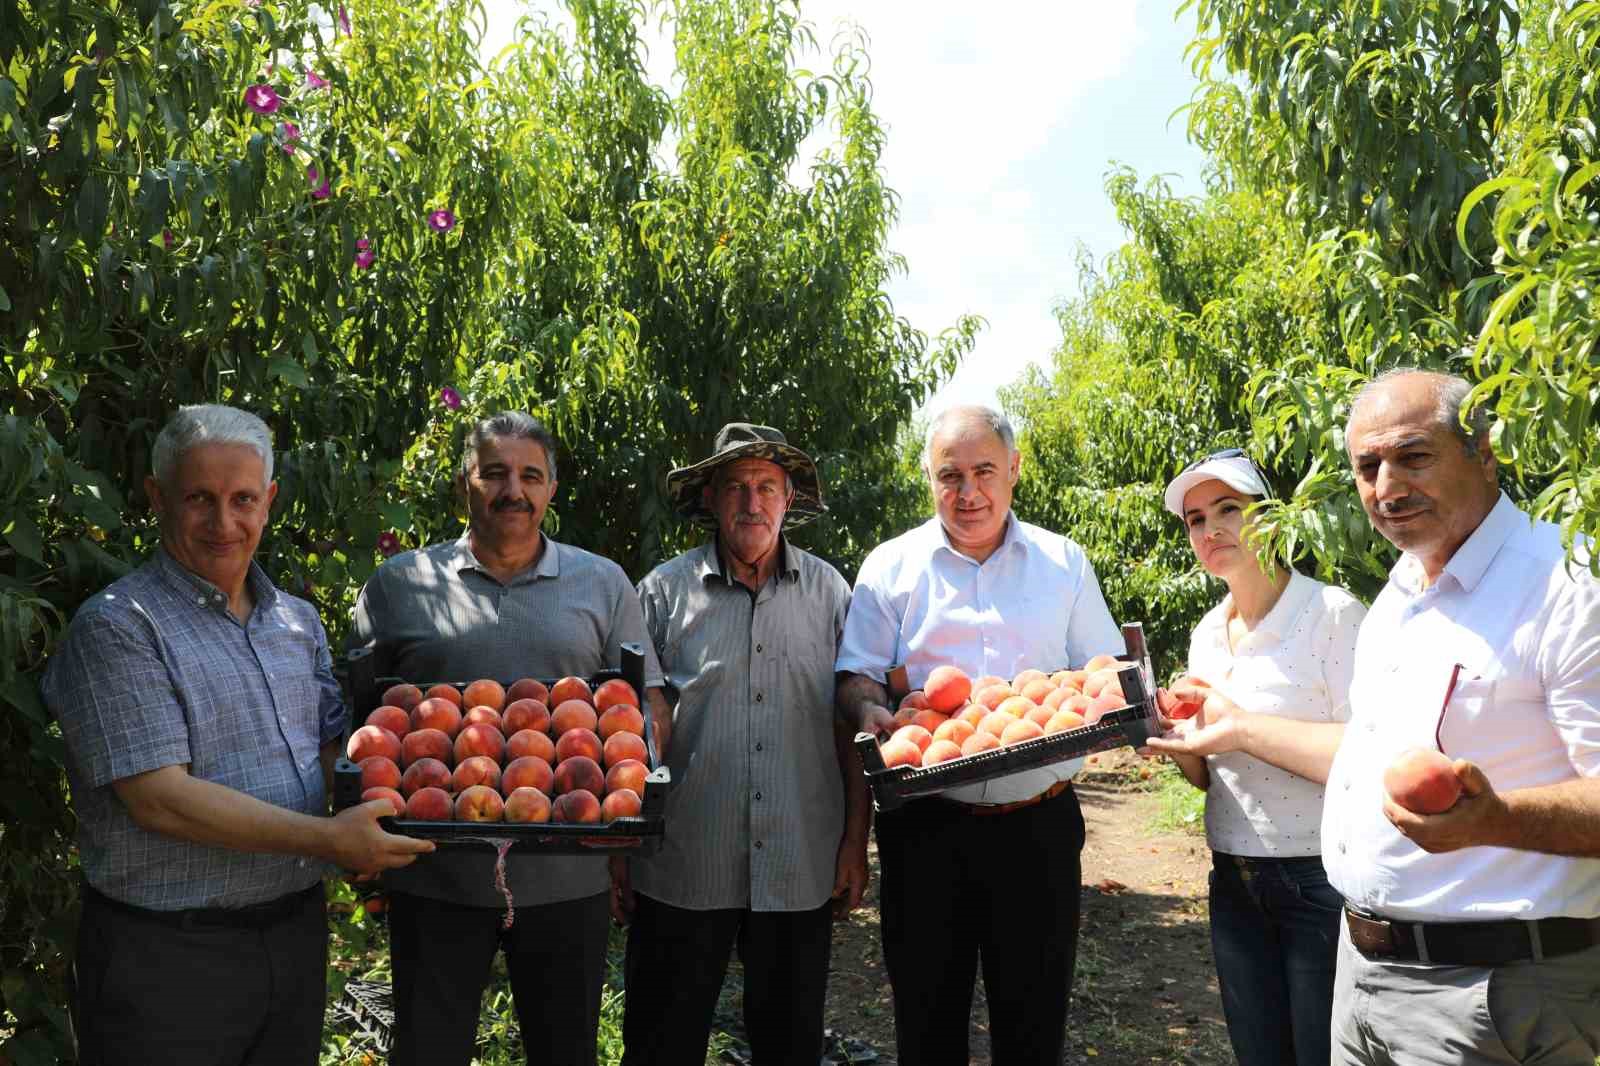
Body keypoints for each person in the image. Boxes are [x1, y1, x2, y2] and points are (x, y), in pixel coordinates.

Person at [41, 404, 433, 1066]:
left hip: (292, 938)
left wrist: (418, 766)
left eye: (243, 499)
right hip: (168, 958)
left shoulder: (296, 622)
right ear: (157, 498)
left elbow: (331, 748)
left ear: (269, 500)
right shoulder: (118, 628)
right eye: (199, 498)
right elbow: (158, 798)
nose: (224, 523)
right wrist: (331, 839)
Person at [348, 411, 667, 1066]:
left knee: (565, 1051)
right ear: (463, 482)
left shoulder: (601, 582)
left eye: (530, 475)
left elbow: (647, 703)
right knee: (428, 1051)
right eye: (493, 472)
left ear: (551, 489)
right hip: (433, 875)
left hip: (565, 874)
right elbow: (358, 715)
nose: (512, 490)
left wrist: (633, 790)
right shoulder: (401, 585)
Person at [1321, 368, 1600, 1066]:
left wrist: (1496, 819)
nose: (1386, 487)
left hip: (1493, 993)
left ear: (1484, 451)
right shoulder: (1399, 594)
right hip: (1362, 977)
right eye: (1368, 466)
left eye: (1414, 456)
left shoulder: (1568, 585)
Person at [834, 404, 1123, 1066]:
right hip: (925, 832)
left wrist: (1111, 706)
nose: (968, 493)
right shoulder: (892, 567)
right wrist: (869, 711)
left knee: (1034, 1026)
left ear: (1015, 470)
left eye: (984, 471)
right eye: (949, 475)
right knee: (927, 1025)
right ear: (930, 482)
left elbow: (1103, 673)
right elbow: (857, 675)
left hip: (1038, 830)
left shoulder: (1063, 563)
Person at [610, 422, 870, 1066]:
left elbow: (849, 724)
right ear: (711, 500)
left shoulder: (830, 593)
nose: (751, 504)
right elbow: (631, 725)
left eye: (766, 488)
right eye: (735, 489)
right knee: (660, 1041)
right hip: (683, 860)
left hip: (797, 860)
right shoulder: (663, 594)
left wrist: (853, 840)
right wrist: (620, 847)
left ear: (788, 501)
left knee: (789, 1043)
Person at [1143, 448, 1366, 1066]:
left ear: (1269, 516)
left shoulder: (1333, 615)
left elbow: (1366, 757)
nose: (1210, 530)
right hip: (1234, 879)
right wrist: (1166, 738)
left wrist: (1240, 728)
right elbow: (1207, 775)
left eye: (1228, 509)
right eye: (1194, 519)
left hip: (1320, 880)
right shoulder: (1207, 634)